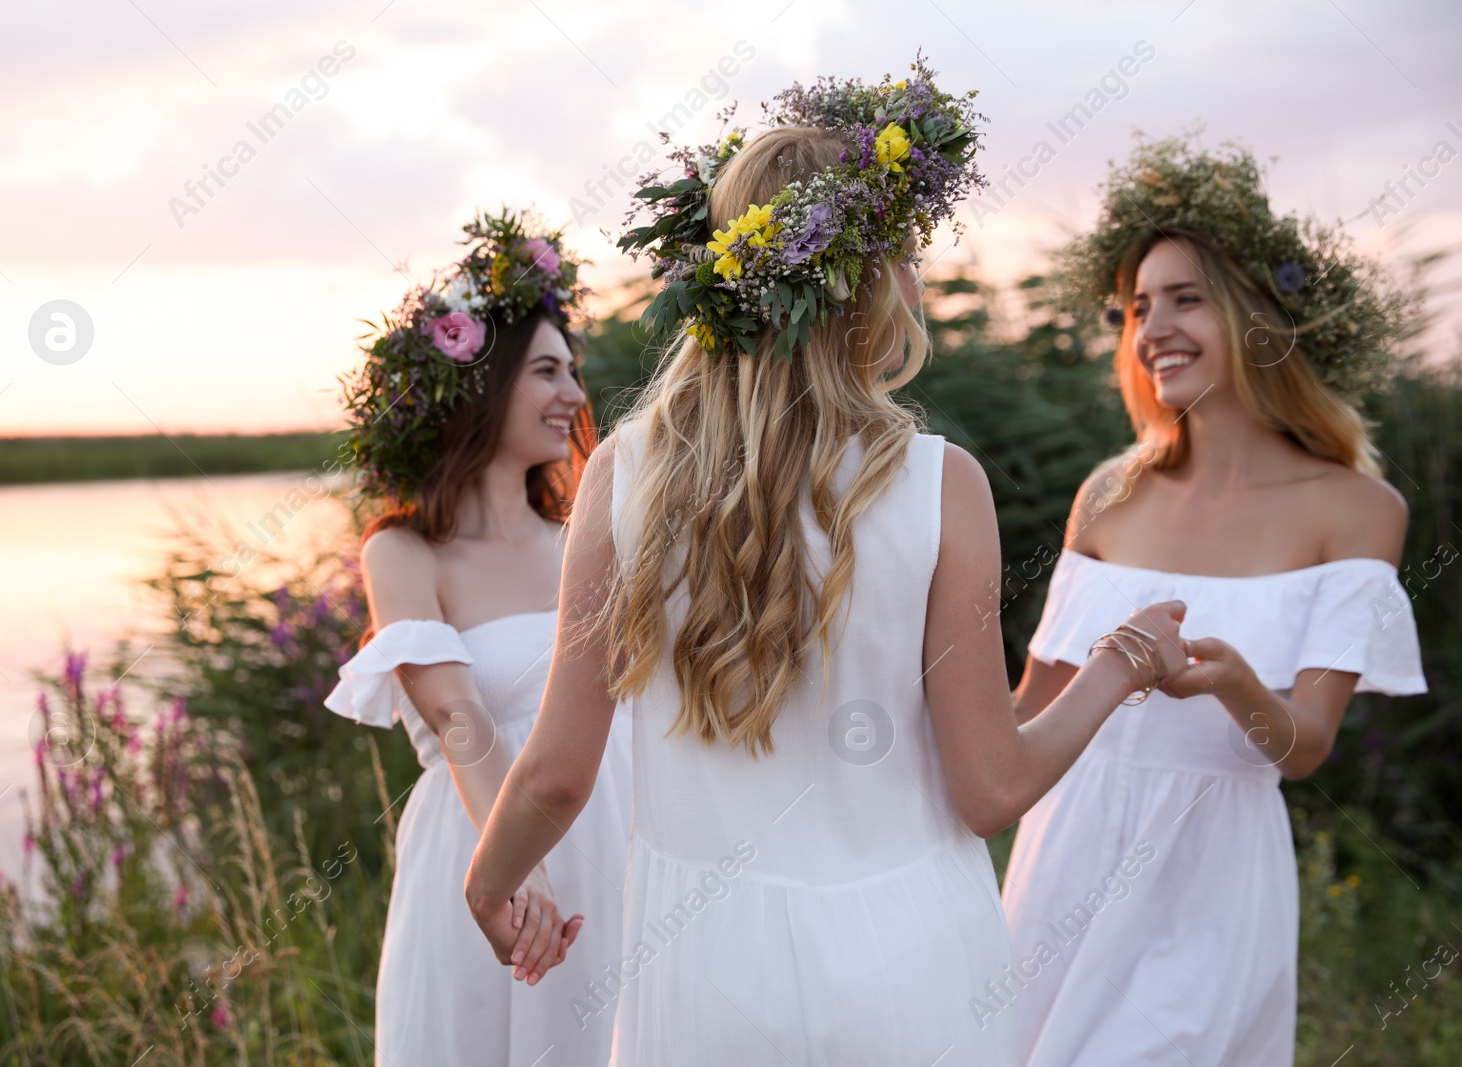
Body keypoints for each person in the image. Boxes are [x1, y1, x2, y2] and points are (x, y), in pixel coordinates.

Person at [465, 68, 1188, 1066]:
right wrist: (1120, 661)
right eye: (907, 255)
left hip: (704, 974)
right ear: (870, 280)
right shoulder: (940, 483)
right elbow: (990, 786)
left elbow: (553, 775)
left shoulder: (622, 475)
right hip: (917, 965)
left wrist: (488, 882)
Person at [1001, 136, 1428, 1066]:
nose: (1153, 327)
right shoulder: (1109, 493)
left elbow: (1303, 746)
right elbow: (1026, 714)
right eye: (1139, 307)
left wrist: (1233, 682)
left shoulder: (1358, 511)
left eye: (1186, 298)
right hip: (1064, 860)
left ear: (1260, 318)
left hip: (1212, 877)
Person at [323, 210, 633, 1066]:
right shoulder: (404, 550)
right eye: (545, 370)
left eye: (573, 369)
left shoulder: (587, 539)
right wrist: (515, 869)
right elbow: (460, 718)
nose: (574, 393)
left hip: (615, 853)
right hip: (484, 857)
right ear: (480, 385)